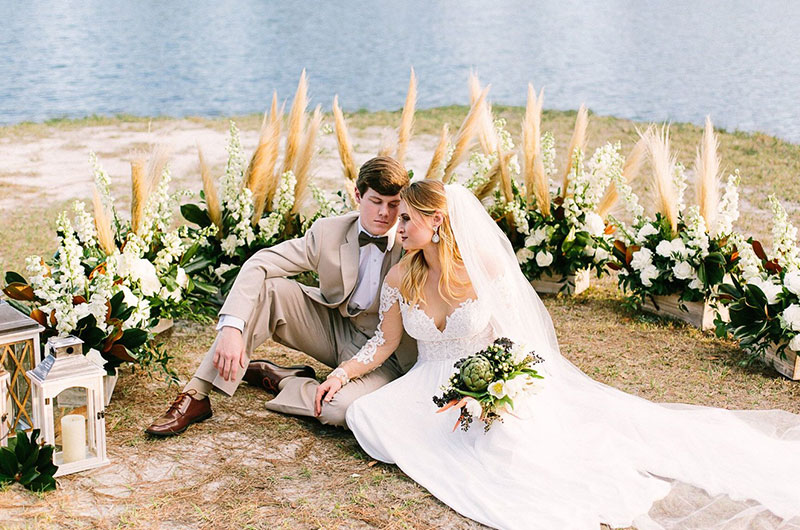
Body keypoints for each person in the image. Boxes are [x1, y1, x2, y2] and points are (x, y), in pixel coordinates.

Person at [314, 180, 800, 529]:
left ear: (436, 222)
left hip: (491, 377)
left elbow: (515, 335)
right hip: (429, 385)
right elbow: (385, 343)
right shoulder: (402, 278)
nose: (397, 226)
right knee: (369, 417)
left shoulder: (482, 267)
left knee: (512, 446)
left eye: (406, 218)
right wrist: (342, 374)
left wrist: (499, 387)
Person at [145, 156, 417, 435]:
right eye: (376, 201)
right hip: (336, 330)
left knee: (337, 410)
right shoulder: (330, 232)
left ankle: (286, 381)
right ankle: (196, 395)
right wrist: (231, 328)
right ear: (358, 196)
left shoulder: (411, 242)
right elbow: (260, 263)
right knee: (272, 290)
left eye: (393, 204)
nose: (385, 212)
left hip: (387, 351)